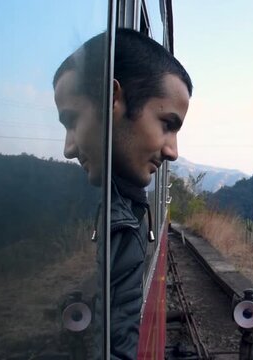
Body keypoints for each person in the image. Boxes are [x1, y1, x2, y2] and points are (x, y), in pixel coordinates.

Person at [53, 28, 193, 359]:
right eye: (167, 124)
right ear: (113, 99)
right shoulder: (114, 213)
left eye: (72, 121)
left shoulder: (126, 211)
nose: (68, 148)